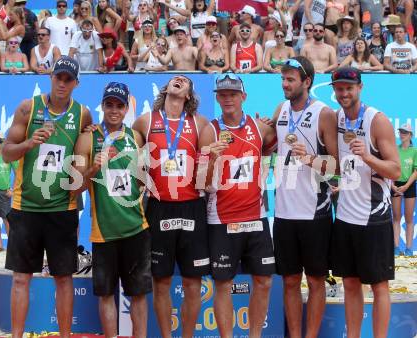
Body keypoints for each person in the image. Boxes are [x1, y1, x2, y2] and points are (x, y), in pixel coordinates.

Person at [2, 56, 92, 338]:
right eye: (58, 77)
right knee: (20, 278)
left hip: (61, 207)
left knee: (64, 279)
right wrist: (30, 142)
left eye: (68, 79)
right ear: (50, 77)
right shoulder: (28, 108)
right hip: (26, 205)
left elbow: (82, 157)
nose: (62, 83)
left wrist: (79, 177)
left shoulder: (83, 114)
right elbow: (6, 153)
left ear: (76, 83)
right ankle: (17, 336)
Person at [198, 74, 277, 338]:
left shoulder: (260, 127)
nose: (228, 98)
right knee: (223, 284)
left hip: (256, 217)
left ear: (243, 96)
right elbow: (201, 182)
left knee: (264, 281)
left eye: (233, 93)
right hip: (222, 220)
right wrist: (211, 159)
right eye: (222, 94)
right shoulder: (210, 130)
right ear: (217, 98)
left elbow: (276, 141)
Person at [132, 75, 210, 338]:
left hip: (192, 207)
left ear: (188, 95)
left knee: (192, 283)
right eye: (174, 79)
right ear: (166, 89)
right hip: (159, 206)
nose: (179, 79)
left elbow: (211, 168)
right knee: (161, 282)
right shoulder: (146, 121)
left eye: (185, 80)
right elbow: (126, 153)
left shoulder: (199, 123)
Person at [73, 82, 151, 338]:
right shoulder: (88, 137)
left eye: (119, 105)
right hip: (104, 232)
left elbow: (142, 181)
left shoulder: (136, 137)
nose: (114, 110)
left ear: (127, 108)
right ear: (103, 105)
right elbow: (74, 188)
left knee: (137, 293)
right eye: (109, 105)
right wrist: (93, 169)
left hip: (135, 228)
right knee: (106, 294)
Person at [330, 66, 400, 338]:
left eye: (349, 87)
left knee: (379, 286)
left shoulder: (376, 120)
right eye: (339, 88)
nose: (344, 93)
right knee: (349, 282)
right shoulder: (336, 118)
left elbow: (395, 170)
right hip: (346, 217)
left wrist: (368, 157)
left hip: (374, 217)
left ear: (360, 88)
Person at [271, 56, 338, 338]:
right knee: (288, 281)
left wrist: (311, 159)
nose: (285, 84)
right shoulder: (281, 109)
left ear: (307, 82)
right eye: (283, 79)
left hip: (314, 211)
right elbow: (267, 143)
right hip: (285, 212)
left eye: (291, 80)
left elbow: (337, 166)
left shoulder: (324, 113)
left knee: (315, 280)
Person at [392, 123, 417, 256]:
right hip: (396, 184)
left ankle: (408, 248)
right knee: (396, 217)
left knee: (409, 219)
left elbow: (416, 171)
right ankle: (396, 247)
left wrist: (407, 186)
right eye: (401, 132)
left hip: (410, 185)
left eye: (405, 132)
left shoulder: (415, 151)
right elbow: (390, 168)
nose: (402, 134)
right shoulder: (395, 149)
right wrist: (392, 185)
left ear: (410, 135)